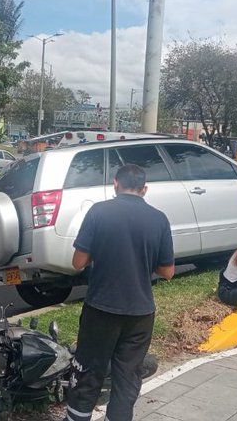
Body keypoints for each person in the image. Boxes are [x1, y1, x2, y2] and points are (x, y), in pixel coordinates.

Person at [64, 164, 175, 421]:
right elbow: (167, 271)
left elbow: (78, 262)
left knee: (88, 370)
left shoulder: (99, 212)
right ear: (144, 189)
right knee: (128, 375)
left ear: (116, 183)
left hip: (101, 308)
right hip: (141, 312)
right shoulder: (159, 218)